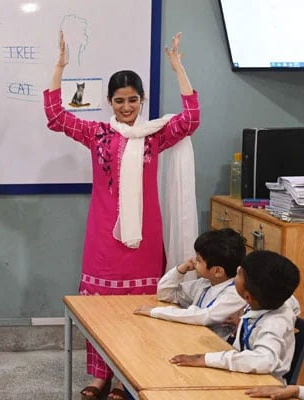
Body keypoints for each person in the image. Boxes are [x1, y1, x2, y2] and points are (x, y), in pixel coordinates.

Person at [44, 30, 200, 400]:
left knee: (139, 309)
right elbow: (54, 116)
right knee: (100, 311)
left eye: (132, 100)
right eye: (119, 101)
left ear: (142, 100)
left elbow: (191, 118)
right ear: (110, 102)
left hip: (145, 236)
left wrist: (178, 67)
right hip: (104, 235)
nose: (126, 107)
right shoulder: (98, 134)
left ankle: (126, 375)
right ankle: (101, 378)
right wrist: (60, 67)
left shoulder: (155, 135)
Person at [170, 250, 300, 383]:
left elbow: (264, 360)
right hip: (240, 374)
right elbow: (293, 304)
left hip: (264, 384)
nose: (236, 270)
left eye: (239, 273)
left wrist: (205, 359)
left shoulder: (274, 323)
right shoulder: (268, 299)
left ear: (248, 297)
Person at [134, 228, 247, 340]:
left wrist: (156, 311)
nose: (193, 261)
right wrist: (180, 269)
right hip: (197, 338)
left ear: (218, 271)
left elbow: (202, 316)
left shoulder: (234, 294)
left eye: (198, 260)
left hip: (218, 347)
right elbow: (166, 293)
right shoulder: (206, 283)